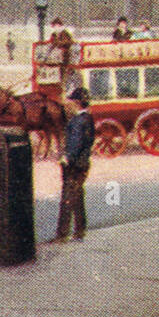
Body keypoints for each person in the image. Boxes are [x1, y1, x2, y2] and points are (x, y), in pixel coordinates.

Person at [54, 86, 95, 242]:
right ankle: (80, 230)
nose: (69, 104)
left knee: (67, 199)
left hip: (74, 165)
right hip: (83, 163)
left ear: (77, 103)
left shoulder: (77, 121)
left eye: (71, 101)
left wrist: (67, 158)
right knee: (77, 197)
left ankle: (62, 234)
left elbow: (75, 142)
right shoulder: (89, 118)